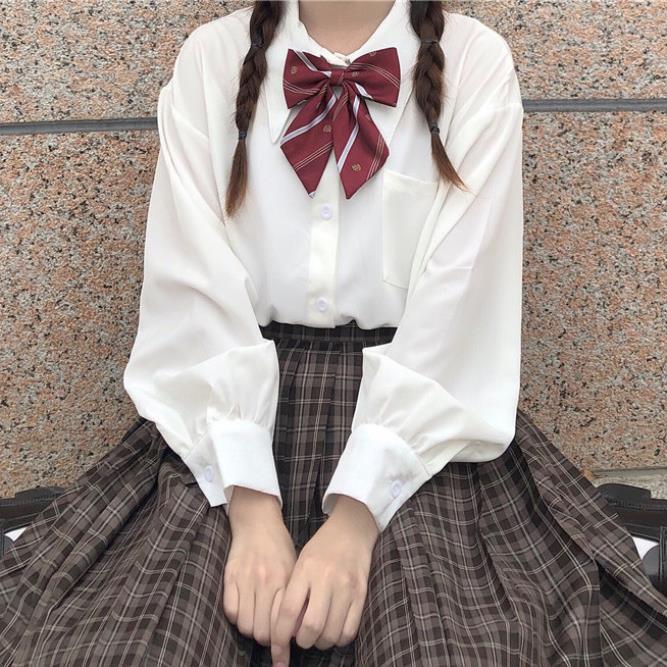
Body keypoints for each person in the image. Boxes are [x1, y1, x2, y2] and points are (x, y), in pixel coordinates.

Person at [1, 1, 666, 665]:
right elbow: (192, 284)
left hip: (414, 408)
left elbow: (462, 298)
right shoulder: (212, 58)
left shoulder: (473, 60)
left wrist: (355, 520)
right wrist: (251, 510)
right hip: (236, 401)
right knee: (139, 642)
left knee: (444, 642)